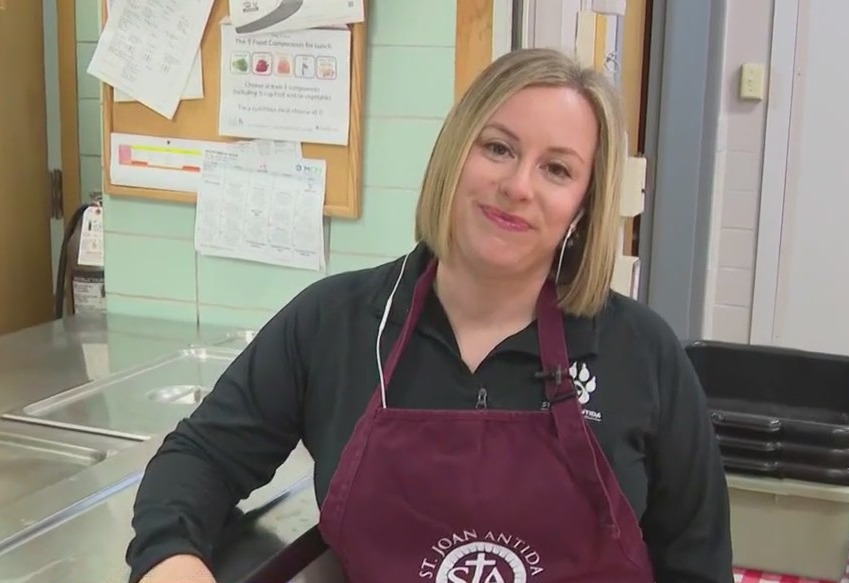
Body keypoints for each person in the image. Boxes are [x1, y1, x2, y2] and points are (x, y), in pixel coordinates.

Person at [128, 47, 734, 583]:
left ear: (583, 204)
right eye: (498, 148)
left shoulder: (642, 353)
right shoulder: (335, 324)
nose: (518, 186)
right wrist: (170, 558)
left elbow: (697, 563)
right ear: (455, 156)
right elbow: (200, 458)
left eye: (557, 169)